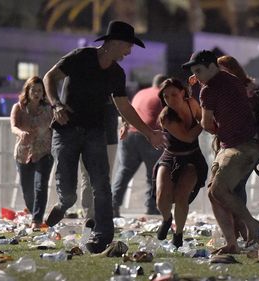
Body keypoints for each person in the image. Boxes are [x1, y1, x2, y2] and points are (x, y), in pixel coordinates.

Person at [43, 20, 166, 253]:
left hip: (95, 132)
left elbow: (124, 106)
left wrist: (149, 132)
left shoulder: (117, 73)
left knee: (102, 184)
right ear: (115, 43)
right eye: (128, 46)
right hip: (67, 129)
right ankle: (63, 204)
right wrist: (56, 104)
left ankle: (103, 237)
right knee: (69, 193)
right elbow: (50, 77)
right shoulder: (80, 57)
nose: (129, 52)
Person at [183, 50, 259, 254]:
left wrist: (215, 127)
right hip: (245, 145)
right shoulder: (232, 80)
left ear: (212, 66)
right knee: (214, 192)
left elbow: (207, 124)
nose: (197, 76)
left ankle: (251, 225)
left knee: (217, 191)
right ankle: (232, 242)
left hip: (237, 146)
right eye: (194, 72)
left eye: (199, 70)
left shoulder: (208, 90)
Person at [153, 78, 208, 248]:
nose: (170, 99)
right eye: (166, 96)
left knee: (181, 195)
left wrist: (206, 118)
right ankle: (167, 219)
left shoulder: (191, 103)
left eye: (174, 94)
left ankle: (178, 234)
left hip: (192, 157)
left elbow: (201, 117)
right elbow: (188, 136)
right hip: (171, 156)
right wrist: (206, 120)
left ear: (183, 93)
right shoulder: (166, 117)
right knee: (162, 197)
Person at [112, 74, 168, 217]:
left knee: (124, 171)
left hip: (130, 134)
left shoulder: (141, 93)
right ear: (165, 84)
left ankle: (113, 205)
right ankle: (152, 207)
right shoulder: (163, 95)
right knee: (154, 174)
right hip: (149, 135)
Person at [10, 76, 54, 229]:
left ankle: (37, 220)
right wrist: (21, 133)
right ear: (27, 91)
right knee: (27, 190)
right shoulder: (19, 108)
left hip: (44, 151)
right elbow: (13, 126)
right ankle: (32, 210)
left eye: (40, 90)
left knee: (40, 185)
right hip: (24, 152)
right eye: (33, 90)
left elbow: (56, 127)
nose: (36, 93)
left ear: (43, 93)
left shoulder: (49, 110)